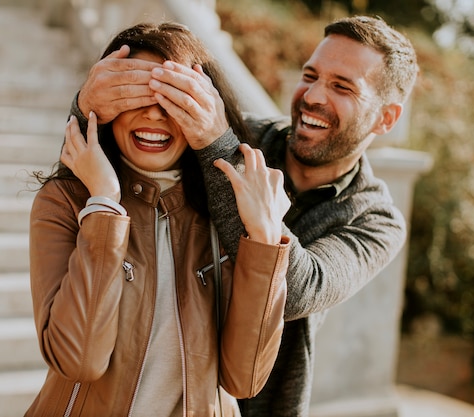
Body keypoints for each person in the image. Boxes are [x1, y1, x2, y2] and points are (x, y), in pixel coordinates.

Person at [68, 15, 419, 416]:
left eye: (342, 86)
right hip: (151, 391)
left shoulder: (377, 220)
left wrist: (216, 145)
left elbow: (298, 293)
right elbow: (102, 163)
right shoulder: (240, 134)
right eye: (310, 75)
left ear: (386, 118)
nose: (313, 96)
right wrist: (85, 106)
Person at [26, 22, 292, 417]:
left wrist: (265, 239)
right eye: (135, 95)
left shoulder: (225, 211)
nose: (153, 112)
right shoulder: (65, 202)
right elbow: (79, 360)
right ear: (106, 106)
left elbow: (245, 378)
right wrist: (103, 203)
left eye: (173, 97)